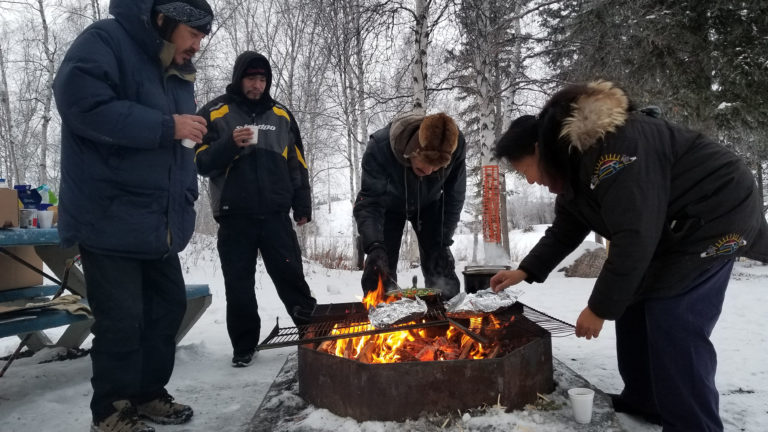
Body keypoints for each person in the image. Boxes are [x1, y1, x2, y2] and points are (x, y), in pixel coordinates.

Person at [490, 81, 768, 431]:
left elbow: (634, 235)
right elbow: (565, 229)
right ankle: (646, 400)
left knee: (673, 318)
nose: (529, 181)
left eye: (523, 169)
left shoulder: (614, 151)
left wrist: (599, 308)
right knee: (634, 305)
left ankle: (694, 424)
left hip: (717, 215)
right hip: (674, 227)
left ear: (538, 148)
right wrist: (525, 271)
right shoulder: (575, 165)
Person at [53, 0, 212, 431]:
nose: (198, 44)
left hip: (157, 222)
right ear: (164, 19)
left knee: (166, 311)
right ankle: (110, 410)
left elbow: (173, 142)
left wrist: (183, 188)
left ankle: (146, 394)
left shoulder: (178, 68)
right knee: (122, 320)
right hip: (109, 215)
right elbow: (82, 105)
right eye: (194, 34)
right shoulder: (105, 41)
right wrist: (167, 126)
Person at [195, 51, 316, 368]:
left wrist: (302, 202)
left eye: (262, 79)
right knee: (239, 286)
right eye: (251, 78)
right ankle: (244, 346)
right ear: (239, 78)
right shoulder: (215, 112)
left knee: (291, 277)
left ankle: (311, 333)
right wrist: (231, 143)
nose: (257, 85)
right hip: (235, 215)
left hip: (276, 214)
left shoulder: (281, 115)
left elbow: (297, 163)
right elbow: (200, 162)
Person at [354, 112, 467, 298]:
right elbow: (369, 203)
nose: (429, 171)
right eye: (424, 166)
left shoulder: (456, 145)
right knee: (381, 268)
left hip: (430, 205)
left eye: (436, 168)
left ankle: (445, 316)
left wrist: (443, 239)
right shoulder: (380, 147)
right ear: (412, 149)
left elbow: (454, 196)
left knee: (441, 265)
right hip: (388, 208)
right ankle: (384, 313)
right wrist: (374, 245)